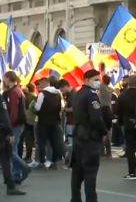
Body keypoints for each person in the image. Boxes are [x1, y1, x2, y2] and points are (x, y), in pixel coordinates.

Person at [71, 69, 107, 202]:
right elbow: (96, 118)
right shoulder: (91, 95)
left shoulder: (77, 94)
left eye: (99, 79)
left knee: (77, 172)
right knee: (90, 173)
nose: (98, 82)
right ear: (86, 80)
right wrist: (103, 132)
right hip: (90, 137)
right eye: (96, 79)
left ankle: (75, 198)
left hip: (78, 136)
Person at [3, 71, 32, 183]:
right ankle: (16, 173)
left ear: (9, 78)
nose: (3, 80)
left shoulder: (14, 92)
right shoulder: (16, 90)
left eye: (4, 78)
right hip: (17, 124)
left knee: (11, 149)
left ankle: (22, 168)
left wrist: (9, 125)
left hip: (15, 125)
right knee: (12, 148)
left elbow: (13, 111)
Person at [33, 77, 63, 170]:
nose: (39, 86)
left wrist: (34, 105)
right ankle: (54, 162)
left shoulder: (42, 94)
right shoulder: (58, 93)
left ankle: (41, 162)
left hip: (43, 121)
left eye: (40, 84)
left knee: (41, 142)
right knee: (54, 142)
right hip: (55, 121)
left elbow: (38, 108)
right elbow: (60, 107)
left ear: (44, 83)